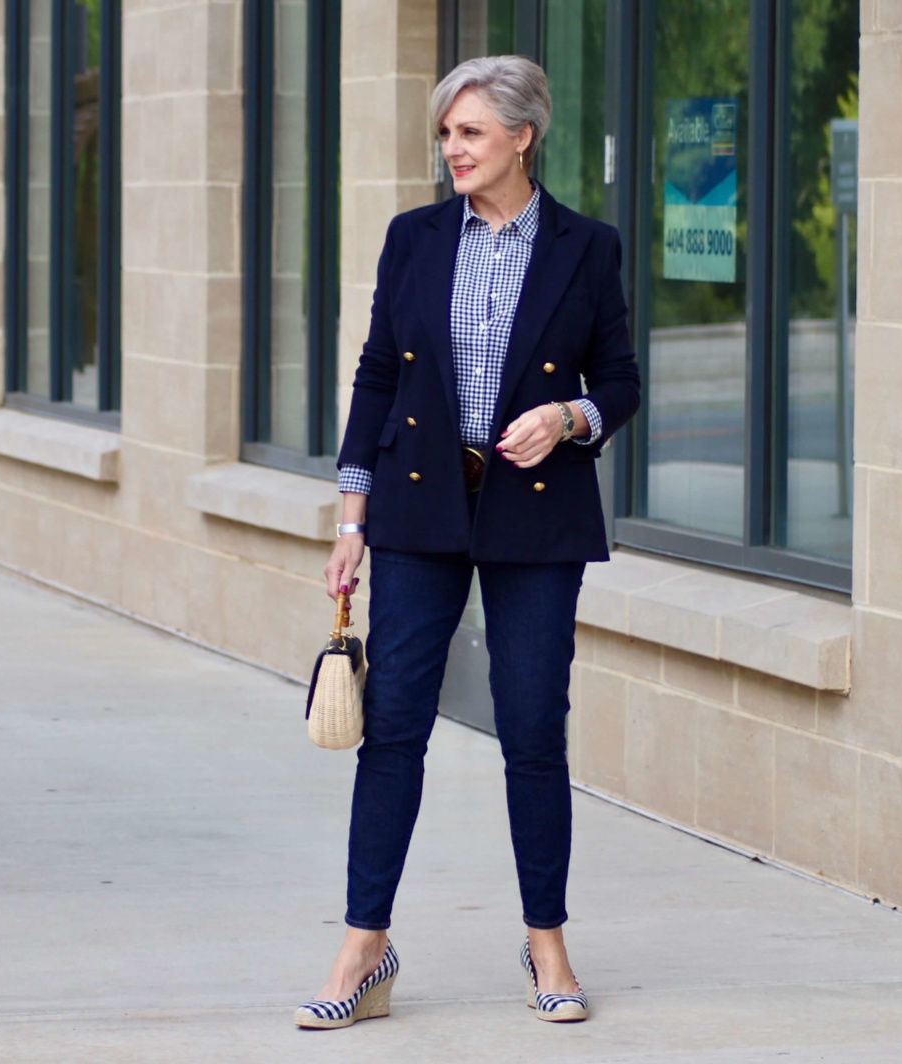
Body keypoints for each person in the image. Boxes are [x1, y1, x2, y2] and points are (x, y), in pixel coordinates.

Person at [293, 55, 640, 1031]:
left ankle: (546, 940)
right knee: (395, 722)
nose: (452, 149)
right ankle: (365, 945)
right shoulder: (412, 239)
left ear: (522, 137)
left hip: (537, 513)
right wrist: (349, 519)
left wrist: (569, 417)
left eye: (471, 133)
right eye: (447, 133)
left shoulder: (587, 246)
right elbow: (373, 380)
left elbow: (619, 378)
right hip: (417, 507)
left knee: (531, 726)